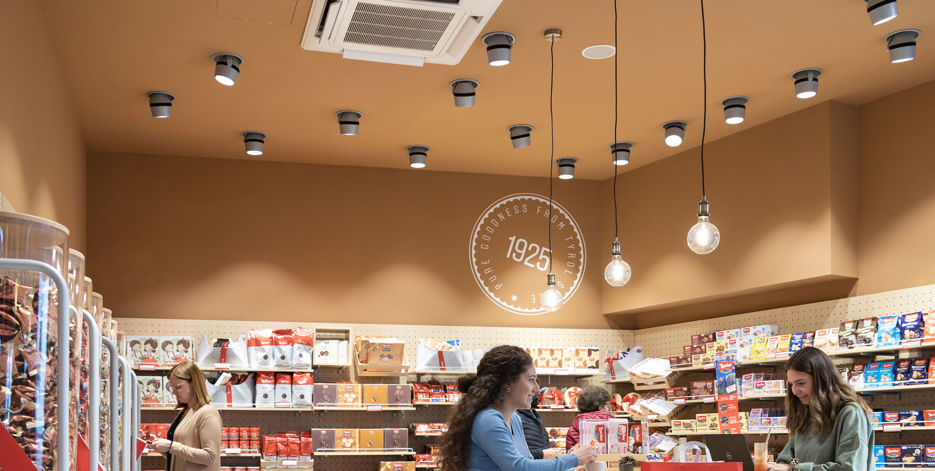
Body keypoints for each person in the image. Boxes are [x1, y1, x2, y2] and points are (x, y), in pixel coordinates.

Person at [439, 345, 596, 471]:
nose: (537, 389)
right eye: (531, 380)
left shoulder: (514, 418)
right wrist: (574, 458)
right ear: (507, 383)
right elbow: (518, 467)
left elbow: (527, 461)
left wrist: (571, 468)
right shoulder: (487, 419)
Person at [767, 347, 874, 471]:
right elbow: (788, 459)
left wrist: (793, 469)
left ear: (822, 380)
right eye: (791, 384)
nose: (795, 391)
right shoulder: (806, 414)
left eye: (801, 383)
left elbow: (849, 468)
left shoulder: (850, 413)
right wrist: (785, 467)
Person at [151, 361, 222, 471]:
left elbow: (210, 457)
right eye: (172, 388)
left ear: (194, 384)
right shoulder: (186, 411)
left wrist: (171, 446)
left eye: (178, 387)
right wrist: (160, 446)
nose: (174, 392)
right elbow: (181, 456)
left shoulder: (208, 412)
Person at [565, 386, 614, 452]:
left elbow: (570, 455)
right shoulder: (613, 424)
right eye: (606, 405)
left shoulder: (573, 429)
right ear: (601, 407)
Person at [518, 394, 550, 459]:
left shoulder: (534, 415)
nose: (537, 392)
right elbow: (516, 455)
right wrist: (542, 454)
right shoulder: (516, 417)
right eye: (531, 390)